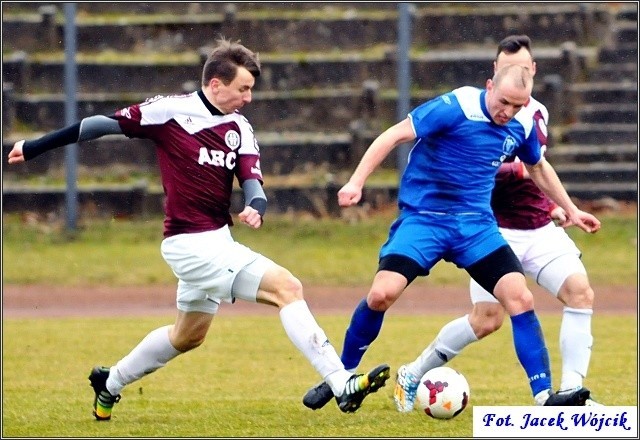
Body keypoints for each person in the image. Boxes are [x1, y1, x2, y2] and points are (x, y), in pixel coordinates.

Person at [7, 38, 390, 420]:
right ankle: (341, 384)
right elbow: (99, 125)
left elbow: (251, 180)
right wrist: (36, 146)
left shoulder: (239, 126)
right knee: (287, 287)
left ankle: (110, 382)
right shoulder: (172, 111)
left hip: (217, 240)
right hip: (188, 244)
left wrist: (256, 205)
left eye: (251, 89)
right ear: (216, 84)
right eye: (243, 89)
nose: (249, 98)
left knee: (187, 336)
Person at [301, 63, 601, 411]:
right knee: (382, 294)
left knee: (520, 298)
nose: (509, 112)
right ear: (489, 86)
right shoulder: (454, 107)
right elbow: (393, 135)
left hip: (475, 227)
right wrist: (356, 181)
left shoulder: (520, 125)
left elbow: (537, 166)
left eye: (518, 106)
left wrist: (572, 209)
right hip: (424, 220)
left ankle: (545, 397)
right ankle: (342, 376)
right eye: (504, 102)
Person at [391, 34, 603, 411]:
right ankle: (414, 371)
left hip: (539, 229)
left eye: (524, 67)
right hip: (493, 230)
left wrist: (562, 208)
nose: (516, 75)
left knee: (580, 292)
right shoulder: (478, 113)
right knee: (487, 320)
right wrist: (516, 170)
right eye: (508, 68)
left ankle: (571, 395)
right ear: (495, 73)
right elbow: (489, 169)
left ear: (533, 70)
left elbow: (538, 168)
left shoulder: (536, 114)